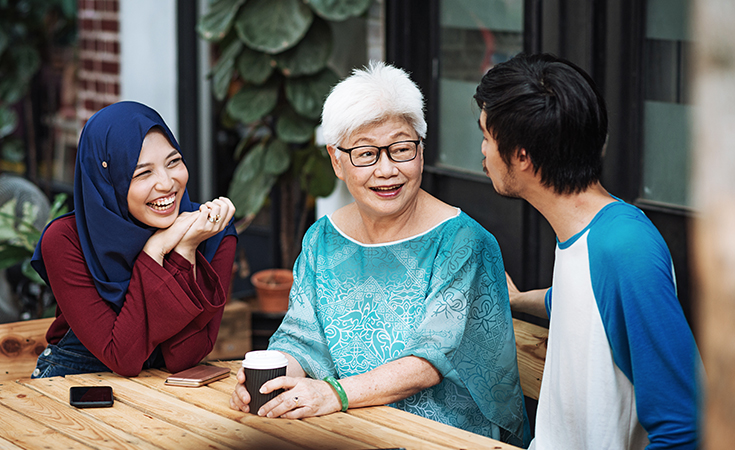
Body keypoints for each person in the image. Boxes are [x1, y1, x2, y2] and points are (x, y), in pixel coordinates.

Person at [230, 61, 529, 446]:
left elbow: (428, 362)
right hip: (346, 429)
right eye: (367, 154)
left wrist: (334, 394)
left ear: (421, 150)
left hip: (442, 436)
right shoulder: (321, 239)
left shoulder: (462, 241)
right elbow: (301, 339)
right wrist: (269, 381)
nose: (387, 170)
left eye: (402, 149)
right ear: (337, 160)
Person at [474, 53, 701, 449]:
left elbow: (685, 427)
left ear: (522, 156)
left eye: (487, 137)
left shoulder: (626, 249)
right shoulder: (587, 234)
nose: (482, 150)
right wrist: (520, 300)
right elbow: (592, 304)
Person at [30, 101, 237, 378]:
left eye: (173, 162)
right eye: (142, 172)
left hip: (164, 390)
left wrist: (184, 251)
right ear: (108, 180)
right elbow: (123, 357)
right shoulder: (66, 240)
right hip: (74, 383)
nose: (166, 183)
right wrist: (155, 251)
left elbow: (183, 357)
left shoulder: (211, 231)